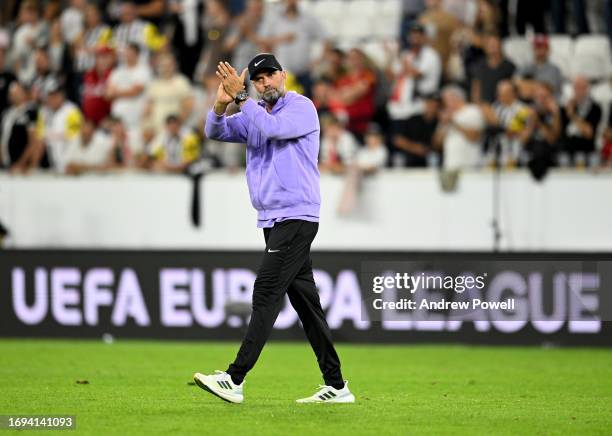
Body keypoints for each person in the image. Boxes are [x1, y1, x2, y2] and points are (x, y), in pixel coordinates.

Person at [195, 53, 354, 404]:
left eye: (270, 76)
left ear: (284, 75)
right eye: (258, 80)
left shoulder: (301, 107)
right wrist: (220, 104)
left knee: (266, 292)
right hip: (273, 219)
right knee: (307, 305)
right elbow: (214, 130)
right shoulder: (254, 112)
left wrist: (240, 99)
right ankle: (338, 386)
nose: (265, 83)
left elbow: (272, 130)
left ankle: (235, 379)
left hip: (296, 216)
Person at [434, 85, 485, 170]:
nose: (444, 104)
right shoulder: (448, 116)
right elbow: (437, 144)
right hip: (450, 165)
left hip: (470, 165)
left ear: (456, 98)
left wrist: (453, 122)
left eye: (445, 100)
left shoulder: (472, 111)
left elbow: (474, 137)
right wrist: (444, 125)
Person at [560, 76, 602, 160]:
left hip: (586, 151)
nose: (579, 91)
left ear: (587, 89)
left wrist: (573, 115)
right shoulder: (565, 107)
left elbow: (589, 132)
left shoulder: (595, 108)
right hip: (567, 150)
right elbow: (561, 132)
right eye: (577, 87)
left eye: (582, 87)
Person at [470, 34, 515, 104]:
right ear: (486, 48)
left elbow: (512, 89)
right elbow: (476, 88)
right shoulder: (479, 66)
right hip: (484, 106)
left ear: (500, 47)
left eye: (495, 45)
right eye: (490, 45)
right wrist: (477, 105)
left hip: (504, 104)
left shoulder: (509, 66)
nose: (493, 48)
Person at [516, 35, 563, 100]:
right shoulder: (526, 66)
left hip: (548, 104)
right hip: (527, 105)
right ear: (533, 50)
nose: (540, 51)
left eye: (543, 48)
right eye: (537, 48)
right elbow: (515, 83)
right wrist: (537, 85)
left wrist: (527, 85)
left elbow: (547, 90)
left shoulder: (554, 69)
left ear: (548, 50)